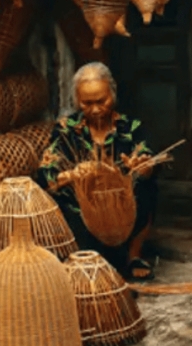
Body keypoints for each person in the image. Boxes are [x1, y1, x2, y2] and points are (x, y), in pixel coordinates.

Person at [37, 63, 159, 281]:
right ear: (77, 100)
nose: (95, 109)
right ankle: (83, 252)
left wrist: (143, 167)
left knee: (146, 187)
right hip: (84, 209)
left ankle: (134, 255)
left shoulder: (130, 128)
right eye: (87, 103)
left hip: (122, 206)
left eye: (101, 101)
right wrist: (73, 175)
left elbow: (148, 159)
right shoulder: (66, 129)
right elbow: (46, 175)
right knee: (62, 195)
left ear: (112, 94)